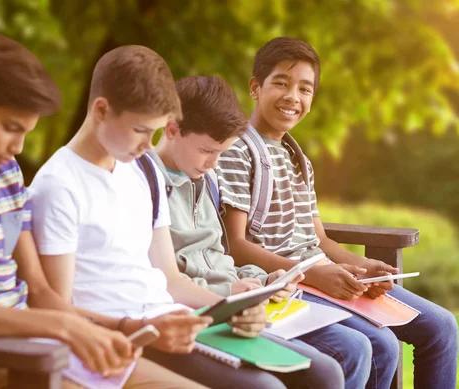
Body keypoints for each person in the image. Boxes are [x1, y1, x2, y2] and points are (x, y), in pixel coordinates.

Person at [0, 34, 203, 389]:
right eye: (10, 129)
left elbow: (37, 289)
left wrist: (122, 329)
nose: (18, 147)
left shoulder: (4, 175)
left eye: (26, 133)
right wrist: (61, 327)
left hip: (39, 348)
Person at [31, 44, 339, 389]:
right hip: (130, 332)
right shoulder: (59, 185)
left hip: (175, 317)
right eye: (141, 130)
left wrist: (232, 306)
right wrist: (138, 328)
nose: (150, 145)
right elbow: (56, 309)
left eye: (155, 131)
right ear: (101, 110)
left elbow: (170, 278)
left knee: (325, 374)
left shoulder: (141, 169)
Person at [217, 36, 458, 389]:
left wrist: (361, 268)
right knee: (381, 345)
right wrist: (315, 275)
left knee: (442, 327)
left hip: (322, 275)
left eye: (304, 89)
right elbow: (235, 246)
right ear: (255, 87)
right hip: (285, 283)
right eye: (281, 83)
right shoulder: (237, 151)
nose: (292, 97)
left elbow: (319, 239)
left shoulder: (299, 160)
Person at [149, 74, 376, 389]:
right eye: (207, 151)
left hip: (241, 302)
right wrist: (229, 297)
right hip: (205, 310)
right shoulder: (147, 183)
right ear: (171, 129)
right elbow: (164, 276)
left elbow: (220, 256)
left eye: (220, 153)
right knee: (319, 368)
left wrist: (264, 281)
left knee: (351, 353)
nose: (214, 164)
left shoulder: (204, 178)